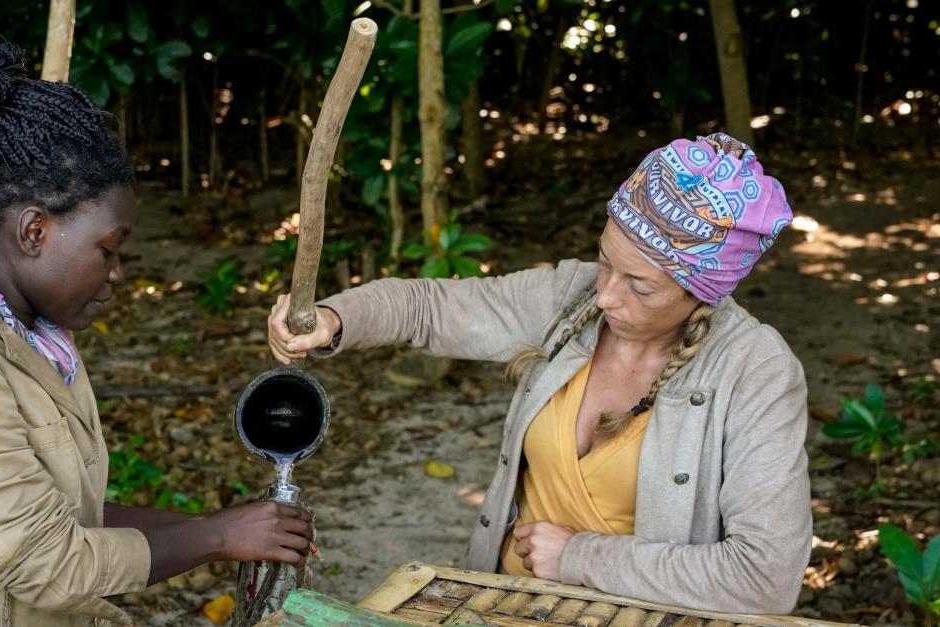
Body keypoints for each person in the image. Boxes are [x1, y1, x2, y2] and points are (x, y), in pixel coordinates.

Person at [0, 11, 312, 627]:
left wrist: (227, 528)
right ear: (35, 230)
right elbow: (49, 562)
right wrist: (217, 538)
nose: (119, 272)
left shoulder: (32, 336)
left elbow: (66, 514)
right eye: (107, 249)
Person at [268, 133, 810, 614]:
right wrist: (337, 319)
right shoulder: (569, 299)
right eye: (604, 261)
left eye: (640, 287)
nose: (604, 296)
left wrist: (578, 556)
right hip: (502, 604)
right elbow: (428, 307)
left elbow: (765, 578)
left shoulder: (754, 371)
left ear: (703, 294)